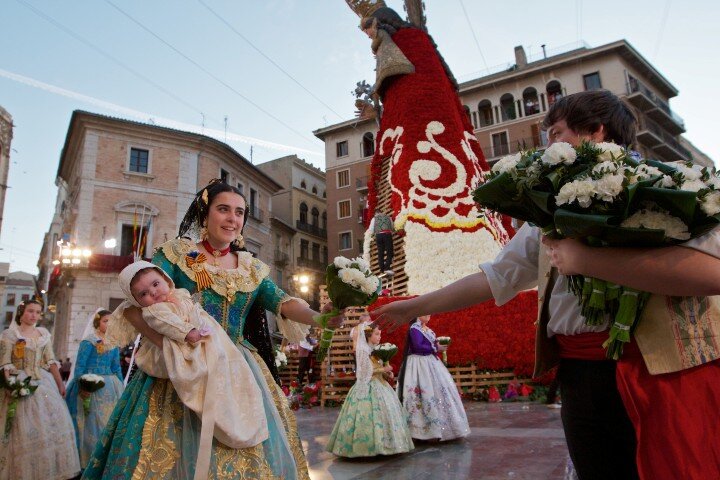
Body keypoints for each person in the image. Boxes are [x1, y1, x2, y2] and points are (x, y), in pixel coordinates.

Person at [373, 90, 720, 480]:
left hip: (661, 370)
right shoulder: (549, 208)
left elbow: (712, 273)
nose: (548, 146)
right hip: (580, 374)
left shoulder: (668, 185)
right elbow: (495, 277)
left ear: (594, 130)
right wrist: (413, 306)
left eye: (556, 133)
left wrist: (587, 260)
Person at [83, 179, 344, 480]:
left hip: (238, 368)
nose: (233, 219)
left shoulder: (251, 267)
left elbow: (282, 303)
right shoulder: (175, 255)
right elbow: (133, 308)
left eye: (240, 212)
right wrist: (173, 347)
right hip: (178, 372)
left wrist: (320, 318)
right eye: (223, 210)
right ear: (205, 214)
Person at [346, 2, 508, 295]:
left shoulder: (411, 41)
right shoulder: (392, 49)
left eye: (368, 27)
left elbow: (422, 91)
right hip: (399, 142)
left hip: (428, 132)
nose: (368, 35)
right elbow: (396, 102)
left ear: (382, 22)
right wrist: (377, 113)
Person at [108, 260, 271, 463]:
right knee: (202, 380)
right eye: (143, 294)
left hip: (208, 341)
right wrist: (189, 333)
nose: (153, 293)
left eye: (155, 284)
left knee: (230, 378)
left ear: (166, 280)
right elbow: (169, 324)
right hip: (178, 348)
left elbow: (193, 311)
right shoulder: (155, 310)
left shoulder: (181, 295)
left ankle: (240, 420)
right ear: (137, 301)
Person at [0, 300, 81, 479]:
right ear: (21, 312)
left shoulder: (43, 334)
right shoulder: (9, 334)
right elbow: (5, 363)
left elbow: (51, 362)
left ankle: (42, 470)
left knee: (49, 424)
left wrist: (60, 384)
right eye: (30, 311)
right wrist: (10, 385)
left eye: (37, 312)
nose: (34, 315)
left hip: (42, 382)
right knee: (20, 428)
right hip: (18, 380)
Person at [326, 323, 414, 457]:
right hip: (367, 385)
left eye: (380, 334)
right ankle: (365, 447)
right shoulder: (363, 350)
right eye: (377, 334)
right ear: (368, 335)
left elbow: (378, 369)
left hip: (380, 384)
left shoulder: (375, 349)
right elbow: (363, 371)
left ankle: (389, 444)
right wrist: (384, 369)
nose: (380, 336)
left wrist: (386, 373)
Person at [65, 309, 124, 467]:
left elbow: (116, 367)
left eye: (111, 321)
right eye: (106, 321)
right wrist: (83, 385)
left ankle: (105, 459)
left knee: (107, 422)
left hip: (111, 387)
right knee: (91, 422)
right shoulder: (89, 341)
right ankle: (88, 459)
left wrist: (122, 387)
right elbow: (80, 366)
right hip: (91, 384)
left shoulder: (113, 342)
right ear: (97, 322)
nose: (109, 324)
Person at [396, 315, 469, 441]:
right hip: (418, 364)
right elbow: (418, 346)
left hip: (430, 362)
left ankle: (443, 428)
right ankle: (419, 431)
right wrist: (436, 348)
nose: (428, 315)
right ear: (418, 314)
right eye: (425, 313)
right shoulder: (415, 328)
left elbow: (428, 344)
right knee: (421, 393)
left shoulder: (426, 329)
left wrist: (437, 345)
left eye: (429, 313)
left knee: (438, 391)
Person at [371, 210, 395, 274]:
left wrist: (374, 234)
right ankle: (387, 268)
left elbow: (371, 229)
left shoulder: (374, 219)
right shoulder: (388, 217)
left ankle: (382, 269)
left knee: (380, 252)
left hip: (378, 236)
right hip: (387, 235)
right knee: (389, 251)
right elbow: (392, 227)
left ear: (375, 214)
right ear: (381, 212)